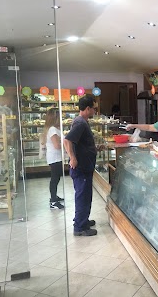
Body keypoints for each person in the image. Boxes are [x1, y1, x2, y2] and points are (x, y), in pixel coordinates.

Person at [63, 95, 98, 236]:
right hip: (81, 167)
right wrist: (73, 157)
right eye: (94, 109)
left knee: (85, 195)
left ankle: (83, 219)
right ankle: (80, 227)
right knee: (82, 196)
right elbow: (67, 140)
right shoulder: (80, 123)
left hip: (85, 165)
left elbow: (80, 143)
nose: (95, 111)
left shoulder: (82, 121)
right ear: (88, 108)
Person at [43, 108, 65, 209]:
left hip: (56, 157)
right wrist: (66, 144)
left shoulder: (54, 128)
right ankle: (53, 201)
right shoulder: (52, 129)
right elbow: (56, 145)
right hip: (55, 157)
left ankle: (54, 196)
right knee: (55, 179)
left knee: (56, 178)